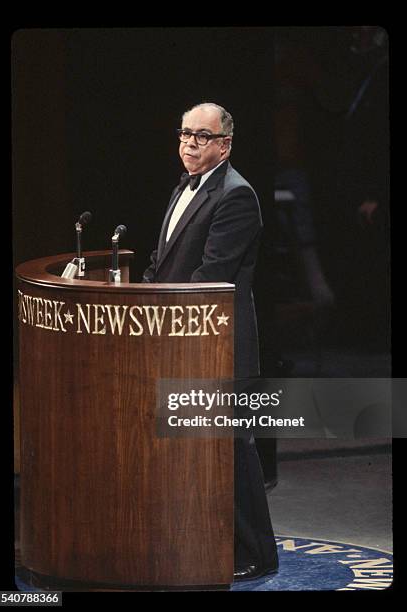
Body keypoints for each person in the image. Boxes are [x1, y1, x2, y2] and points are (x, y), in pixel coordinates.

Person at [142, 102, 278, 581]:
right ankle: (212, 539)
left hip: (217, 341)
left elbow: (210, 277)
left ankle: (259, 554)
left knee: (231, 450)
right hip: (182, 336)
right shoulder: (184, 184)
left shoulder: (236, 196)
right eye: (184, 134)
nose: (190, 144)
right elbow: (166, 266)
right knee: (200, 448)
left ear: (225, 144)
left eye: (202, 136)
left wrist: (163, 318)